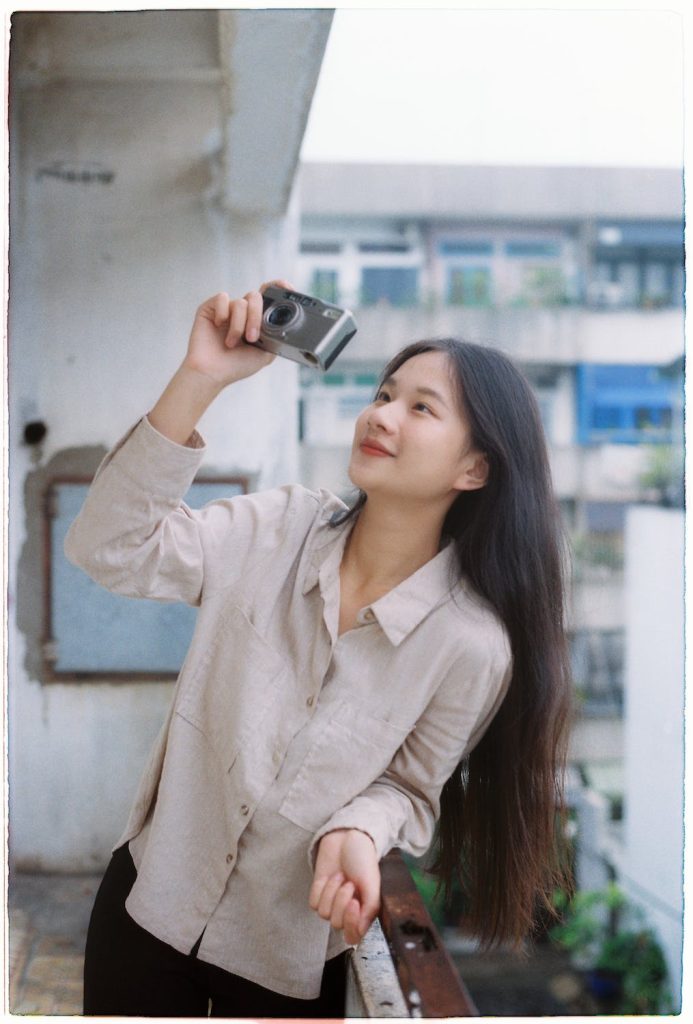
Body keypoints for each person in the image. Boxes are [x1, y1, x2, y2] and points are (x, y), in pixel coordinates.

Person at [65, 280, 573, 1018]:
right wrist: (200, 376)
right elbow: (107, 547)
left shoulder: (472, 645)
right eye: (384, 393)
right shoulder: (278, 526)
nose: (382, 414)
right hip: (148, 899)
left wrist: (356, 829)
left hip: (285, 953)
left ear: (474, 470)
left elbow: (408, 789)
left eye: (420, 407)